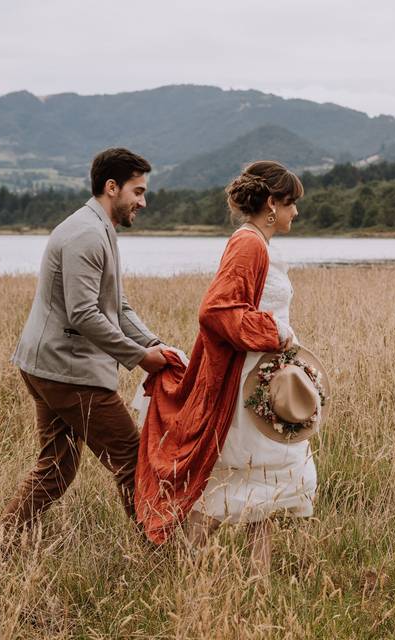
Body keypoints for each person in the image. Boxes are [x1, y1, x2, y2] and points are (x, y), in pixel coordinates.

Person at [136, 160, 320, 577]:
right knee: (245, 478)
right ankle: (171, 569)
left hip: (263, 377)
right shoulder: (249, 243)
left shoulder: (256, 241)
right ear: (271, 203)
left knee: (266, 484)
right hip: (247, 381)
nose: (296, 213)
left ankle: (257, 583)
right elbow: (216, 310)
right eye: (291, 204)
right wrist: (275, 332)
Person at [0, 147, 168, 538]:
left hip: (51, 365)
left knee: (56, 468)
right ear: (112, 187)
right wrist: (141, 357)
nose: (143, 202)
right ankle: (161, 552)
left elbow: (117, 305)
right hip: (67, 370)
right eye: (137, 192)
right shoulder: (86, 235)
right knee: (133, 460)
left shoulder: (99, 227)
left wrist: (156, 344)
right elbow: (84, 314)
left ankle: (1, 546)